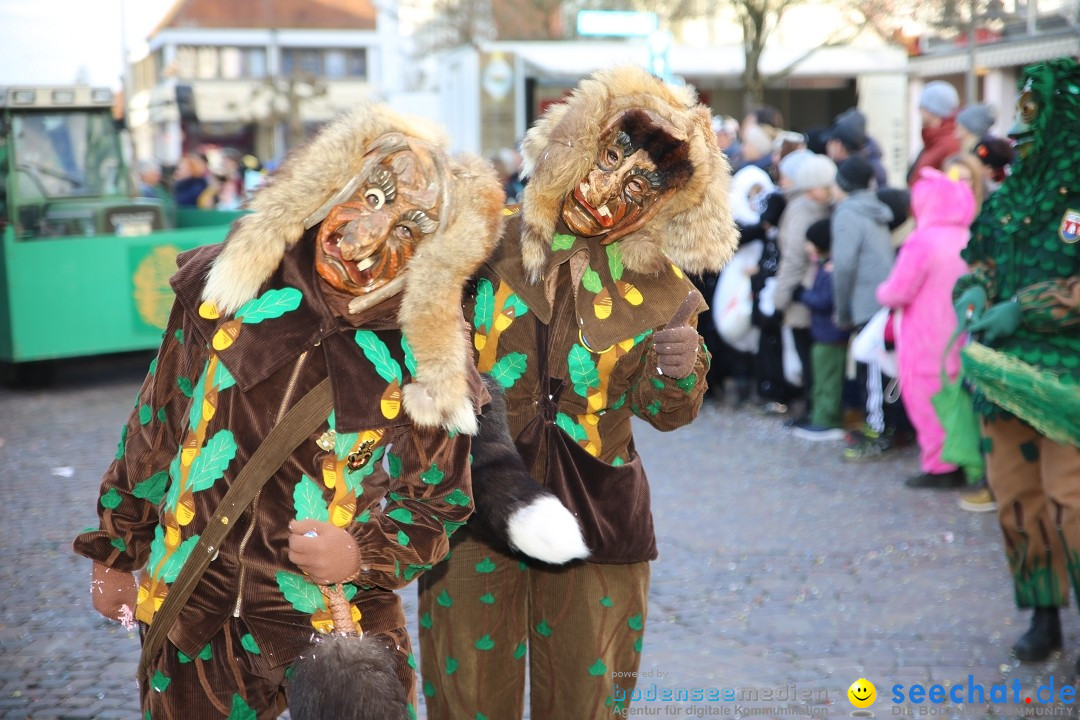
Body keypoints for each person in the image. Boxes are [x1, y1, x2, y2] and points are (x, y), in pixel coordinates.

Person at [73, 104, 506, 718]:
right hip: (195, 611)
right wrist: (116, 550)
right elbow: (157, 420)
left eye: (411, 228)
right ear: (334, 186)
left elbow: (441, 499)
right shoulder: (229, 282)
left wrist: (361, 551)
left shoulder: (429, 356)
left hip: (334, 625)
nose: (369, 236)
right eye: (371, 197)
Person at [417, 65, 737, 720]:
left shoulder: (665, 291)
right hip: (474, 503)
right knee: (467, 697)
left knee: (585, 705)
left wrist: (677, 372)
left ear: (663, 204)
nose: (610, 189)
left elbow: (666, 414)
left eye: (642, 184)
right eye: (611, 156)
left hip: (598, 517)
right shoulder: (484, 240)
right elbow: (410, 329)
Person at [952, 58, 1080, 670]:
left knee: (1073, 501)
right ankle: (1043, 615)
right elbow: (979, 256)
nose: (1020, 146)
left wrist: (1027, 309)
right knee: (1017, 498)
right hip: (1002, 378)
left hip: (1067, 380)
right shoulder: (1008, 201)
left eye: (1034, 134)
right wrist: (975, 290)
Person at [876, 167, 975, 488]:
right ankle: (963, 459)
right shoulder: (968, 237)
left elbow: (898, 291)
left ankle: (940, 466)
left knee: (926, 400)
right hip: (961, 333)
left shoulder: (923, 241)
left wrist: (881, 292)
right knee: (955, 401)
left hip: (925, 337)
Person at [829, 156, 900, 461]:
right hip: (885, 299)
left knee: (871, 370)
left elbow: (843, 265)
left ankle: (877, 432)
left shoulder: (848, 213)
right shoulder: (877, 210)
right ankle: (894, 428)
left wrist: (842, 309)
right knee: (886, 370)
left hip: (866, 301)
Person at [774, 152, 838, 422]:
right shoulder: (819, 207)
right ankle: (813, 408)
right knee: (811, 354)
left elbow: (793, 257)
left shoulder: (802, 209)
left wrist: (779, 298)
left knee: (810, 354)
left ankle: (813, 409)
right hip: (810, 289)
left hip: (804, 291)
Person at [792, 218, 849, 440]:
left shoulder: (831, 268)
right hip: (823, 334)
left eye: (810, 242)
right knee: (821, 376)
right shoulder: (824, 264)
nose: (807, 246)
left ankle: (828, 419)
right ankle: (819, 416)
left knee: (829, 379)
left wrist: (802, 295)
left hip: (832, 335)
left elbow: (825, 301)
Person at [908, 81, 961, 185]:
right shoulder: (933, 140)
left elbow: (953, 184)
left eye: (922, 106)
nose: (919, 111)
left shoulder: (948, 145)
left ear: (932, 109)